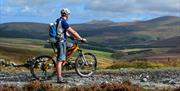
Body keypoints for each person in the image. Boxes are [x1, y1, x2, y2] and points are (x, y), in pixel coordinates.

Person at [54, 8, 86, 83]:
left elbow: (61, 31)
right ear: (67, 15)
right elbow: (73, 32)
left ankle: (65, 59)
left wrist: (69, 36)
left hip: (61, 41)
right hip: (60, 42)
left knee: (71, 45)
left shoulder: (58, 20)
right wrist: (80, 38)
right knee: (60, 60)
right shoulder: (64, 22)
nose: (69, 16)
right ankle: (59, 78)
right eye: (68, 14)